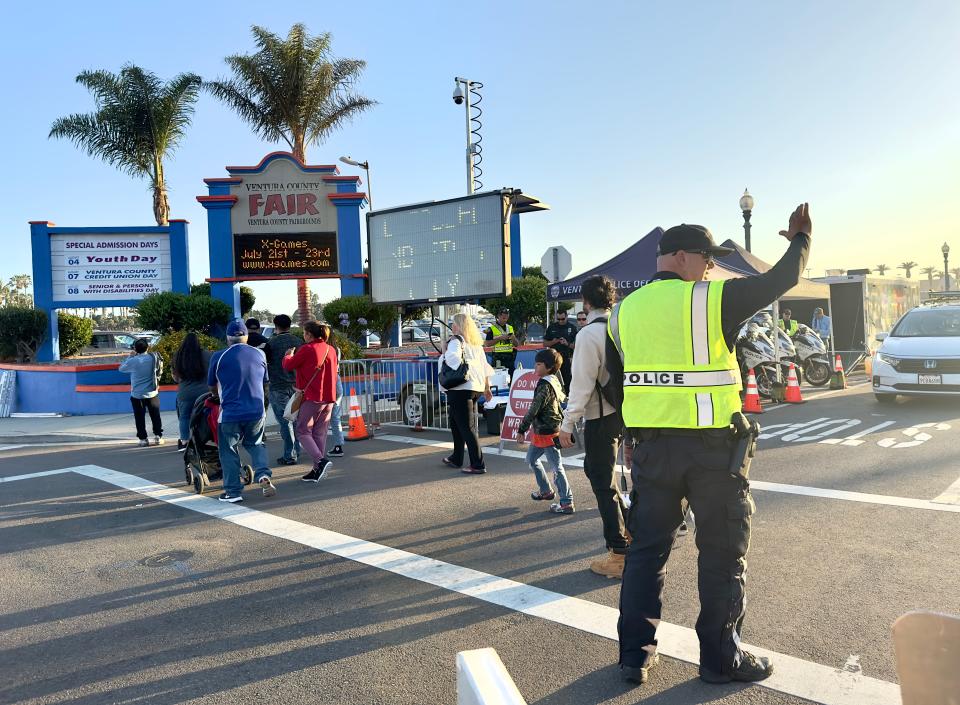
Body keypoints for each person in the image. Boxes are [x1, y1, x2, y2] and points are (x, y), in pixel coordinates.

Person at [611, 205, 812, 687]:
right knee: (721, 553)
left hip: (653, 450)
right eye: (706, 257)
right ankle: (721, 660)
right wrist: (801, 240)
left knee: (646, 553)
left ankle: (634, 655)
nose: (711, 267)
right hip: (713, 452)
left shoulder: (623, 312)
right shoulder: (709, 300)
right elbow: (781, 279)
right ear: (680, 257)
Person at [559, 275, 630, 578]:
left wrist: (567, 423)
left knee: (602, 483)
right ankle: (630, 532)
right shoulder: (622, 326)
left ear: (585, 302)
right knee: (602, 475)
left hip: (599, 416)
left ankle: (618, 552)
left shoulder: (588, 335)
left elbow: (581, 384)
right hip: (625, 411)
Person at [208, 318, 276, 502]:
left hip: (230, 413)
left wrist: (217, 395)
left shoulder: (219, 356)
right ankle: (263, 474)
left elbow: (212, 386)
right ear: (246, 336)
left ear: (228, 338)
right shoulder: (259, 354)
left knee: (228, 450)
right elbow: (265, 382)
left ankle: (232, 492)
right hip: (256, 411)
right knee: (256, 443)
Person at [518, 348, 574, 514]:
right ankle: (546, 491)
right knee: (531, 460)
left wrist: (522, 428)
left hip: (548, 431)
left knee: (556, 468)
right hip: (544, 430)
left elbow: (534, 408)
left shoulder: (544, 385)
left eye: (539, 364)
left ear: (548, 367)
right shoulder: (553, 380)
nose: (535, 367)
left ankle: (566, 502)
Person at [282, 321, 339, 482]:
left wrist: (288, 355)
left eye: (304, 332)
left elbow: (289, 365)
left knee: (302, 431)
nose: (303, 335)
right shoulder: (331, 349)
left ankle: (320, 462)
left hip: (312, 397)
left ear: (309, 334)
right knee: (319, 433)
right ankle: (316, 469)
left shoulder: (307, 349)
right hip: (328, 398)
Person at [441, 312, 494, 474]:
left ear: (458, 326)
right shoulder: (476, 344)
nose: (451, 327)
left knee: (466, 427)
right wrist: (487, 388)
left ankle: (477, 464)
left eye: (453, 324)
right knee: (456, 423)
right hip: (475, 388)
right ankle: (456, 457)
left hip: (460, 388)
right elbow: (485, 367)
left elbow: (452, 360)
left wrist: (444, 349)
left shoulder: (456, 341)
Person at [265, 314, 303, 465]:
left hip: (278, 387)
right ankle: (296, 450)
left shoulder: (270, 344)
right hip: (296, 387)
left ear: (276, 326)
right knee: (295, 420)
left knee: (285, 422)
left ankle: (290, 454)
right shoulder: (299, 342)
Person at [171, 332, 212, 452]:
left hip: (185, 393)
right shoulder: (207, 355)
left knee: (184, 417)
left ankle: (184, 441)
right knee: (207, 415)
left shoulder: (178, 356)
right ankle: (208, 438)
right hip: (205, 392)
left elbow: (175, 378)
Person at [119, 338, 164, 447]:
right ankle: (158, 436)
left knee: (139, 417)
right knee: (155, 415)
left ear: (135, 349)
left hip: (137, 395)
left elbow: (121, 369)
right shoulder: (152, 358)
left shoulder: (133, 361)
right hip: (152, 393)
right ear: (147, 347)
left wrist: (130, 356)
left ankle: (143, 439)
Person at [543, 309, 578, 392]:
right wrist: (553, 341)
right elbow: (544, 344)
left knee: (567, 381)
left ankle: (568, 398)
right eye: (558, 319)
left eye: (562, 319)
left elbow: (577, 346)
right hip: (553, 359)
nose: (561, 321)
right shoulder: (552, 327)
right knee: (553, 380)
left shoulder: (572, 328)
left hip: (567, 358)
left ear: (566, 317)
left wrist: (567, 344)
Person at [485, 308, 518, 379]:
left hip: (509, 359)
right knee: (498, 379)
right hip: (498, 359)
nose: (505, 320)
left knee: (512, 378)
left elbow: (517, 344)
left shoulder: (510, 328)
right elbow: (487, 344)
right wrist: (500, 338)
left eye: (507, 318)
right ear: (498, 316)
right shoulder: (491, 329)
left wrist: (513, 338)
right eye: (503, 318)